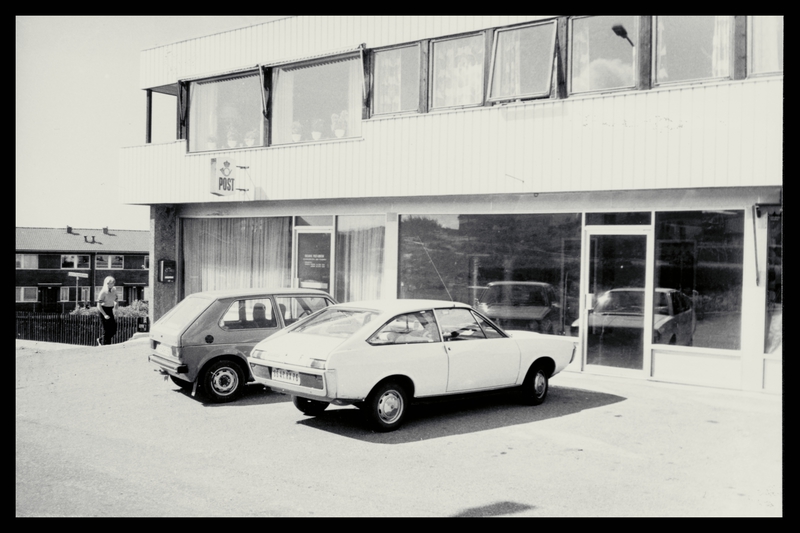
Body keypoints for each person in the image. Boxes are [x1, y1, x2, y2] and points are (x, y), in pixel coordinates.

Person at [96, 276, 118, 346]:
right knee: (106, 330)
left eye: (113, 283)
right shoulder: (103, 292)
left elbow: (116, 299)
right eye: (110, 283)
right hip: (103, 310)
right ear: (106, 283)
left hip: (110, 309)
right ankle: (106, 345)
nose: (112, 284)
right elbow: (98, 305)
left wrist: (116, 308)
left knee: (113, 329)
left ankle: (100, 339)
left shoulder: (114, 290)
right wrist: (104, 315)